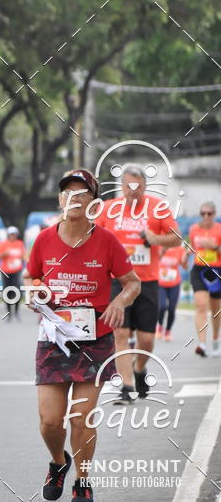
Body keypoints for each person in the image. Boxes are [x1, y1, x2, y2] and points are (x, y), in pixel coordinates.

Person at [25, 169, 140, 502]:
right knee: (49, 421)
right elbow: (31, 276)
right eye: (67, 193)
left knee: (81, 416)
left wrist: (119, 300)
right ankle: (59, 463)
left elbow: (132, 282)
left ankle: (83, 480)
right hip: (53, 338)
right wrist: (35, 291)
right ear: (60, 200)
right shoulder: (45, 240)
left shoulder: (106, 241)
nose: (73, 198)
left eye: (81, 193)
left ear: (93, 203)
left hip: (95, 340)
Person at [95, 163, 180, 403]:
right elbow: (94, 237)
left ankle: (139, 367)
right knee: (120, 333)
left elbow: (176, 238)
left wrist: (154, 238)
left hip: (147, 282)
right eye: (128, 185)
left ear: (144, 186)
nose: (133, 190)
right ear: (121, 186)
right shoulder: (109, 209)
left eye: (138, 185)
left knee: (146, 340)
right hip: (117, 282)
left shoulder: (158, 207)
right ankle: (126, 385)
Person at [188, 201, 221, 356]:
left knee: (216, 310)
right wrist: (185, 253)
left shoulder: (219, 229)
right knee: (201, 305)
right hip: (199, 269)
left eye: (209, 214)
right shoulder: (194, 229)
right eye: (203, 214)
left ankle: (215, 339)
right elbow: (192, 248)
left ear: (214, 215)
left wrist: (214, 247)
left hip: (216, 270)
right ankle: (202, 343)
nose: (205, 217)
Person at [157, 245, 187, 341]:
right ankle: (160, 325)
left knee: (171, 308)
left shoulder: (180, 249)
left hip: (174, 283)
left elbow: (185, 267)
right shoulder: (159, 247)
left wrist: (185, 256)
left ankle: (168, 331)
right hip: (161, 283)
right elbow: (155, 260)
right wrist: (162, 251)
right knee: (162, 306)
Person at [0, 226, 25, 321]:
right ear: (8, 235)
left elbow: (22, 256)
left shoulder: (19, 243)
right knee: (7, 292)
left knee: (17, 291)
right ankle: (9, 313)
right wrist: (5, 253)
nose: (13, 236)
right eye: (11, 234)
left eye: (14, 234)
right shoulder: (3, 244)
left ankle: (16, 312)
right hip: (5, 271)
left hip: (17, 270)